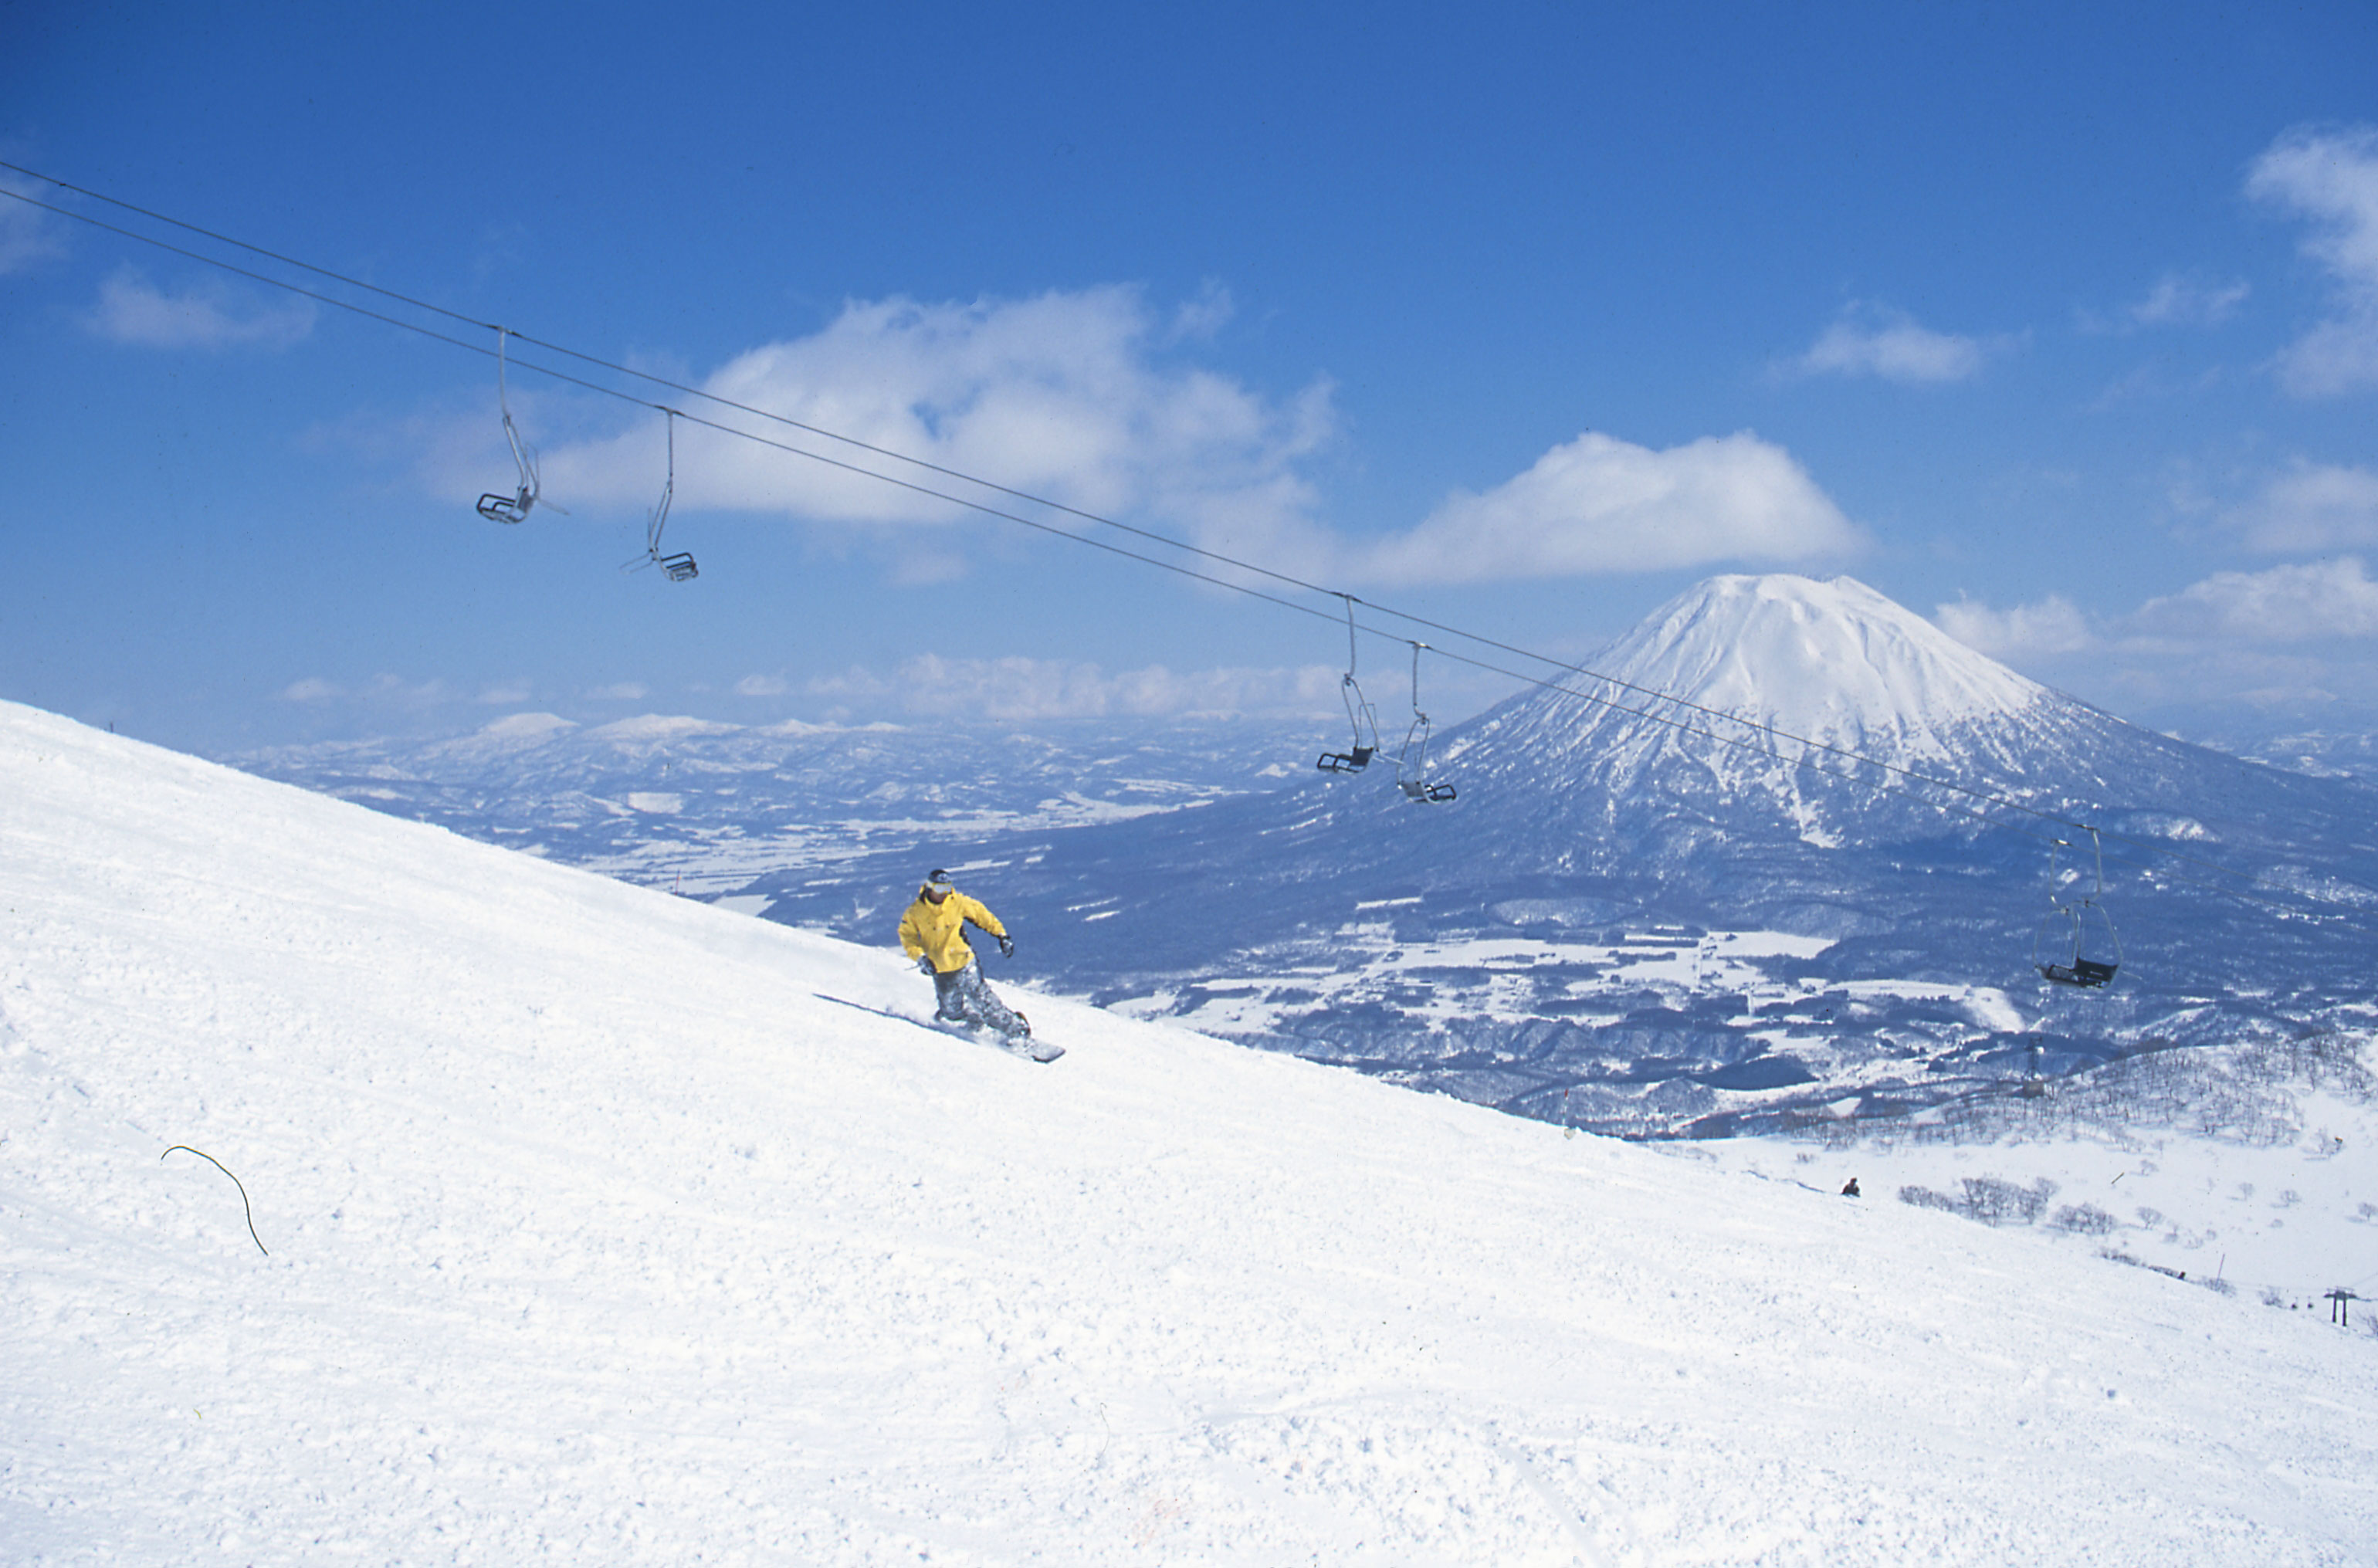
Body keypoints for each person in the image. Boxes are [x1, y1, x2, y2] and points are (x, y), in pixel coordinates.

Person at [897, 869, 1031, 1041]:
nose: (943, 893)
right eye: (939, 889)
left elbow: (982, 915)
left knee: (983, 999)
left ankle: (1016, 1029)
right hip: (940, 968)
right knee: (951, 1013)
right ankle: (975, 1023)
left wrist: (1001, 935)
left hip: (963, 961)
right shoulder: (915, 912)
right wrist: (921, 958)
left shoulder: (957, 903)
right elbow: (908, 938)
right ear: (929, 888)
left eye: (947, 888)